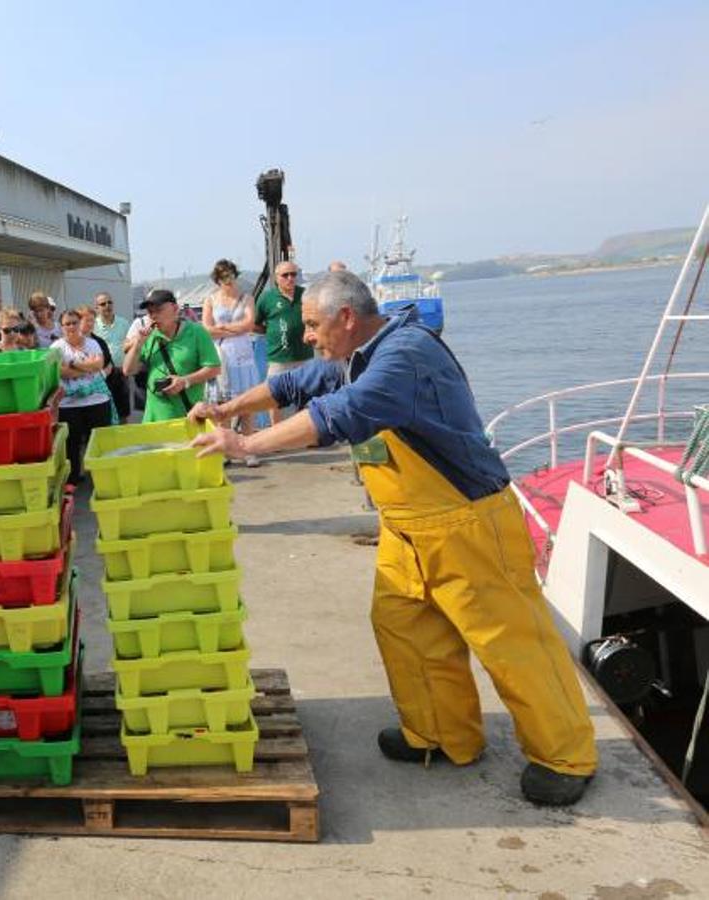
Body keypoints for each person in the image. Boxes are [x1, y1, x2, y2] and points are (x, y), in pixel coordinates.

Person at [190, 271, 598, 807]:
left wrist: (245, 446)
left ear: (346, 318)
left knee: (510, 642)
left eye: (313, 325)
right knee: (405, 627)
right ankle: (442, 736)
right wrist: (227, 409)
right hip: (408, 528)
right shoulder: (356, 356)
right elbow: (296, 385)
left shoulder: (403, 356)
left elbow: (342, 414)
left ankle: (565, 756)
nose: (305, 335)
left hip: (467, 523)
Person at [122, 289, 221, 423]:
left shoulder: (197, 332)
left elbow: (214, 368)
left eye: (159, 310)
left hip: (188, 416)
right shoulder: (148, 336)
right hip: (154, 418)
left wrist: (185, 381)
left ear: (175, 308)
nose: (154, 316)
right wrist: (138, 344)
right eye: (150, 312)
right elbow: (128, 370)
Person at [202, 259, 262, 466]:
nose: (228, 280)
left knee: (247, 405)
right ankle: (226, 450)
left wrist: (224, 327)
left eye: (231, 275)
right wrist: (233, 328)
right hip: (221, 356)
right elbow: (207, 329)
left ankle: (248, 449)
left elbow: (249, 325)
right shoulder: (210, 299)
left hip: (243, 356)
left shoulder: (247, 298)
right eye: (223, 277)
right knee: (223, 406)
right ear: (217, 280)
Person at [50, 309, 113, 485]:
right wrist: (87, 366)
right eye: (67, 323)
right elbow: (59, 372)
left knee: (100, 440)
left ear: (80, 323)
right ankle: (74, 479)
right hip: (69, 404)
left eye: (74, 322)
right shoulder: (56, 348)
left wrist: (72, 363)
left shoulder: (92, 343)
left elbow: (99, 364)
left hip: (97, 401)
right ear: (61, 327)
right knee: (72, 444)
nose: (71, 326)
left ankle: (101, 476)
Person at [254, 260, 313, 424]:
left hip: (304, 355)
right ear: (276, 278)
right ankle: (276, 431)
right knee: (274, 396)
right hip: (279, 357)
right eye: (285, 275)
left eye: (293, 274)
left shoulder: (306, 295)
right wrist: (272, 332)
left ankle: (304, 431)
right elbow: (255, 324)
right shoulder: (267, 298)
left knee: (307, 394)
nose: (290, 278)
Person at [93, 292, 131, 419]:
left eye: (109, 302)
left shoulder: (124, 323)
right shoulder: (93, 326)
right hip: (102, 374)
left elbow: (130, 345)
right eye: (103, 304)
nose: (107, 306)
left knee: (123, 411)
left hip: (121, 372)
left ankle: (125, 437)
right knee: (105, 410)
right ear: (97, 308)